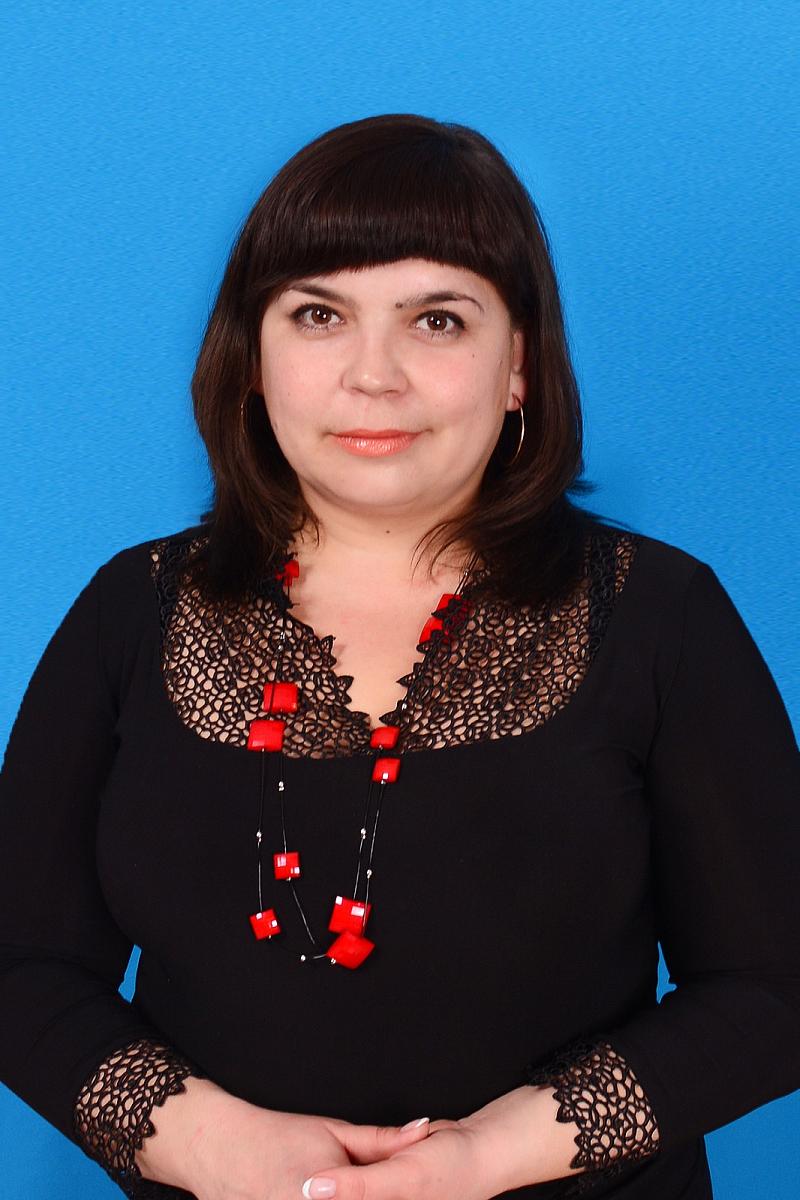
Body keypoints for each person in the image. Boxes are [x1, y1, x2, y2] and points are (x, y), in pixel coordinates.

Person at [0, 113, 798, 1200]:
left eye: (436, 319)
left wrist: (483, 1161)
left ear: (518, 366)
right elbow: (23, 968)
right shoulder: (129, 612)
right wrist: (211, 1146)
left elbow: (772, 988)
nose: (372, 375)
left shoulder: (661, 614)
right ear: (251, 360)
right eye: (318, 314)